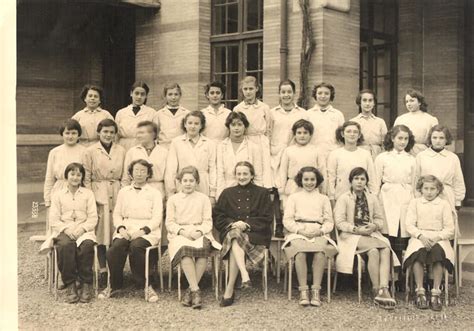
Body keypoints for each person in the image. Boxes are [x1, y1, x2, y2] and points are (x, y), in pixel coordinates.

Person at [334, 167, 399, 309]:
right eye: (356, 178)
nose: (359, 182)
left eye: (362, 179)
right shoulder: (344, 198)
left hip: (371, 234)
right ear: (350, 181)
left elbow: (380, 219)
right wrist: (356, 229)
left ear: (366, 182)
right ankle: (377, 289)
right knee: (375, 249)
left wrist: (374, 226)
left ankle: (383, 289)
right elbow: (339, 222)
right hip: (351, 235)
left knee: (382, 250)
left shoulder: (372, 198)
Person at [101, 159, 163, 302]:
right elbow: (117, 214)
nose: (139, 174)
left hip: (147, 230)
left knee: (136, 247)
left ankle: (145, 285)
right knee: (115, 248)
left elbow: (157, 217)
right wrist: (121, 228)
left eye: (143, 171)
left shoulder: (154, 193)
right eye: (136, 170)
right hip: (126, 227)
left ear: (148, 174)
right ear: (130, 173)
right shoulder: (124, 192)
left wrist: (143, 230)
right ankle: (114, 284)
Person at [213, 161, 273, 307]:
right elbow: (218, 216)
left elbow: (267, 218)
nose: (242, 176)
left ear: (252, 175)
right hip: (231, 231)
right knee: (234, 234)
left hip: (256, 234)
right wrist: (232, 223)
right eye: (239, 173)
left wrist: (247, 224)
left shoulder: (263, 193)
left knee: (235, 238)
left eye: (245, 173)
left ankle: (230, 288)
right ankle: (244, 274)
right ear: (235, 175)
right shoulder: (227, 193)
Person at [166, 166, 221, 309]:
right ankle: (196, 290)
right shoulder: (173, 199)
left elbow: (208, 221)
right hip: (180, 233)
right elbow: (170, 223)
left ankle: (190, 290)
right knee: (185, 251)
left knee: (203, 252)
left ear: (197, 182)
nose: (188, 183)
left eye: (192, 180)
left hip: (199, 232)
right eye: (185, 180)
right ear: (179, 182)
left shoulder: (203, 199)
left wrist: (199, 231)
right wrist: (183, 232)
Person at [282, 167, 338, 307]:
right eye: (306, 179)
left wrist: (321, 231)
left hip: (318, 231)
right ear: (300, 180)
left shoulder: (323, 198)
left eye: (312, 179)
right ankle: (303, 291)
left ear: (317, 181)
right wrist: (299, 230)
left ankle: (316, 290)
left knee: (320, 253)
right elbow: (287, 220)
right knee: (300, 253)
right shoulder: (293, 198)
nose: (309, 182)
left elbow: (329, 221)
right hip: (298, 231)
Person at [48, 163, 98, 303]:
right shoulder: (58, 195)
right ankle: (70, 284)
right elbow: (54, 219)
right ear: (66, 176)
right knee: (65, 246)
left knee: (87, 246)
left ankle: (86, 284)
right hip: (65, 229)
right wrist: (66, 229)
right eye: (72, 174)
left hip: (84, 229)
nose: (75, 177)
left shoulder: (88, 194)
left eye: (78, 174)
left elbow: (93, 217)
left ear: (82, 177)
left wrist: (82, 229)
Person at [403, 175, 455, 311]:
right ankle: (420, 291)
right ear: (421, 189)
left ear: (438, 190)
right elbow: (409, 224)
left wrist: (437, 237)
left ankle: (435, 292)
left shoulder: (444, 204)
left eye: (433, 188)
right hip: (419, 236)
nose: (429, 192)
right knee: (417, 254)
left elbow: (450, 228)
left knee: (438, 254)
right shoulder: (415, 203)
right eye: (426, 188)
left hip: (438, 237)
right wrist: (420, 236)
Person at [373, 125, 416, 288]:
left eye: (405, 138)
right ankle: (390, 276)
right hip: (387, 198)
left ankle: (401, 277)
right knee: (388, 236)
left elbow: (414, 182)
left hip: (405, 198)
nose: (402, 142)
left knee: (402, 237)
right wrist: (376, 202)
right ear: (392, 138)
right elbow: (375, 182)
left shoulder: (412, 159)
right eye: (399, 138)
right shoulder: (382, 158)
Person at [82, 119, 126, 272]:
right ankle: (102, 268)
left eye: (112, 132)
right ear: (99, 132)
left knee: (116, 229)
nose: (108, 135)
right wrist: (90, 196)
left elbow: (126, 174)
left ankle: (115, 268)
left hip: (117, 190)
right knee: (101, 230)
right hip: (98, 190)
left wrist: (124, 192)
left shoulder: (121, 150)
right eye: (105, 132)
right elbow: (86, 176)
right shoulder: (90, 151)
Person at [269, 79, 307, 237]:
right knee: (276, 189)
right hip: (275, 154)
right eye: (283, 92)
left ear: (294, 93)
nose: (286, 95)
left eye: (289, 92)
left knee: (293, 188)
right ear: (279, 93)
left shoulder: (302, 113)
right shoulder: (272, 113)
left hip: (294, 154)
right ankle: (278, 224)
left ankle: (295, 223)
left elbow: (306, 132)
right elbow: (268, 133)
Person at [165, 111, 217, 204]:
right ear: (185, 124)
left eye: (196, 123)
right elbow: (171, 169)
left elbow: (213, 169)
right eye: (190, 123)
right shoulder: (176, 142)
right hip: (183, 183)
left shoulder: (209, 144)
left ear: (201, 126)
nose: (193, 126)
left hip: (202, 184)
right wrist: (171, 191)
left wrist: (212, 194)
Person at [415, 125, 466, 212]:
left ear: (446, 139)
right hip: (427, 196)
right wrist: (418, 197)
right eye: (434, 137)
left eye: (441, 138)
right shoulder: (421, 156)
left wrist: (458, 201)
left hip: (447, 196)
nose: (437, 141)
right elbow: (416, 178)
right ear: (430, 139)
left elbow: (458, 180)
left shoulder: (452, 158)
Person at [233, 76, 272, 189]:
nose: (248, 92)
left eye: (251, 89)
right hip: (246, 141)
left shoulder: (264, 107)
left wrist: (266, 142)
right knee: (246, 168)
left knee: (262, 169)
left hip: (261, 141)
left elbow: (269, 128)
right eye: (245, 89)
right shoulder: (238, 108)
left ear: (257, 89)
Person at [327, 121, 376, 208]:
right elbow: (331, 180)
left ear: (359, 135)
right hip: (340, 198)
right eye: (348, 131)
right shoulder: (335, 154)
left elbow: (371, 179)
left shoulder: (366, 154)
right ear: (342, 134)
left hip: (361, 200)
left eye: (355, 132)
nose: (352, 134)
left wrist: (372, 199)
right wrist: (332, 200)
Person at [216, 111, 263, 199]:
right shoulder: (222, 146)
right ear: (228, 127)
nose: (236, 128)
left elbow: (258, 174)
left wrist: (257, 196)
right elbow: (220, 173)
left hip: (249, 192)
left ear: (245, 127)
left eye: (240, 124)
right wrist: (220, 196)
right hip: (228, 189)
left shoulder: (253, 147)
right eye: (233, 125)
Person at [278, 119, 326, 206]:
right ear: (294, 134)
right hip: (293, 187)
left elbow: (322, 171)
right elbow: (283, 172)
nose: (302, 136)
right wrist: (282, 194)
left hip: (311, 186)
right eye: (299, 133)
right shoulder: (288, 150)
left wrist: (323, 190)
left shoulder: (317, 150)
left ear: (310, 134)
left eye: (305, 133)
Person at [44, 119, 86, 211]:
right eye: (67, 133)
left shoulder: (85, 152)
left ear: (79, 135)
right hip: (59, 190)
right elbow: (49, 178)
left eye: (74, 133)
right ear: (62, 134)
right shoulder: (54, 152)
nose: (70, 136)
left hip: (78, 191)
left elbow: (87, 177)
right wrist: (47, 200)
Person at [122, 121, 168, 200]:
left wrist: (168, 196)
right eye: (137, 133)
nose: (138, 136)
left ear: (153, 134)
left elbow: (168, 177)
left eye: (142, 133)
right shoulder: (132, 151)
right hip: (136, 193)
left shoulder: (164, 152)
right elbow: (126, 177)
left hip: (158, 192)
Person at [307, 82, 345, 163]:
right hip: (313, 155)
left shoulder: (338, 114)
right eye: (320, 93)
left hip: (333, 154)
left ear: (331, 95)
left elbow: (342, 137)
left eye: (326, 93)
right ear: (315, 95)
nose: (323, 96)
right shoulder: (308, 114)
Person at [394, 89, 438, 155]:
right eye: (407, 101)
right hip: (403, 153)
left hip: (423, 153)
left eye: (412, 101)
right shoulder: (400, 119)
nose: (409, 104)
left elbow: (435, 140)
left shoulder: (430, 119)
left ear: (419, 102)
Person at [116, 81, 156, 151]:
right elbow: (116, 135)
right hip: (124, 147)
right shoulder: (121, 113)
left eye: (142, 94)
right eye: (136, 93)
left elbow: (155, 135)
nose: (139, 97)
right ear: (131, 93)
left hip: (144, 148)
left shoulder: (152, 113)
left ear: (146, 96)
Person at [350, 89, 387, 159]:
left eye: (370, 100)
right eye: (364, 100)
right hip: (359, 155)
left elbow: (385, 143)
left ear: (374, 103)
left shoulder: (380, 122)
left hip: (377, 155)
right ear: (359, 102)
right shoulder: (353, 122)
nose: (367, 103)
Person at [153, 83, 190, 149]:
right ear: (165, 96)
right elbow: (155, 135)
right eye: (170, 94)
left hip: (181, 148)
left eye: (176, 94)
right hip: (164, 149)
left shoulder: (187, 113)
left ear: (180, 95)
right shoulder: (159, 114)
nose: (173, 97)